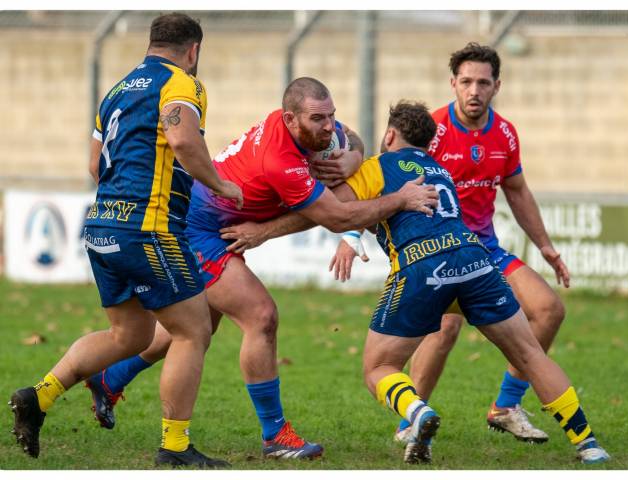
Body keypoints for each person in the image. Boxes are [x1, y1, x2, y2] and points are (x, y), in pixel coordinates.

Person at [83, 77, 440, 460]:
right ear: (290, 119)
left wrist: (352, 157)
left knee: (193, 328)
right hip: (200, 230)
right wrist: (399, 199)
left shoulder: (310, 128)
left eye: (331, 116)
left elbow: (350, 140)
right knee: (261, 317)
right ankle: (275, 435)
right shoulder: (280, 160)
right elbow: (333, 217)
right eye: (319, 119)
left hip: (210, 225)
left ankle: (109, 378)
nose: (329, 126)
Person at [8, 13, 243, 468]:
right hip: (147, 227)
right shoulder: (181, 84)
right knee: (192, 330)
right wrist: (220, 184)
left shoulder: (117, 90)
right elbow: (182, 138)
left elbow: (96, 166)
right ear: (193, 50)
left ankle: (37, 398)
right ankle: (175, 448)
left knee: (129, 334)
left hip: (102, 226)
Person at [332, 100, 608, 464]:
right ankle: (588, 444)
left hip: (422, 265)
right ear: (429, 142)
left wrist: (339, 169)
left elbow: (337, 208)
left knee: (378, 367)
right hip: (475, 259)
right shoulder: (441, 171)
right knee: (528, 352)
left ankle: (416, 413)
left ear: (389, 134)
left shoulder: (377, 167)